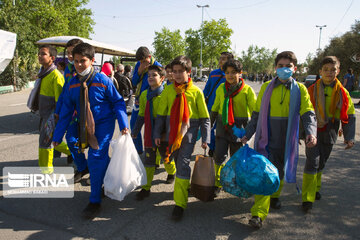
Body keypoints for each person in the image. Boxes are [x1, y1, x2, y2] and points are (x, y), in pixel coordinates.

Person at [241, 51, 317, 229]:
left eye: (288, 66)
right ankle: (258, 214)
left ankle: (274, 196)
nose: (284, 69)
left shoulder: (301, 90)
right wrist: (248, 133)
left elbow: (308, 113)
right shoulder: (267, 87)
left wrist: (311, 132)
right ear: (275, 68)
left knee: (280, 171)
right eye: (280, 66)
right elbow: (257, 115)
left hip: (287, 139)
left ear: (295, 69)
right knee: (264, 173)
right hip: (266, 138)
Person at [52, 43, 129, 219]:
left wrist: (124, 123)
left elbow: (118, 102)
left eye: (83, 61)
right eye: (76, 61)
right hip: (82, 123)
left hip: (103, 124)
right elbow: (65, 111)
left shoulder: (103, 81)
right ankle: (103, 174)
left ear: (92, 61)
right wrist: (57, 135)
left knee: (96, 157)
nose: (79, 65)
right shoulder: (71, 84)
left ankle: (94, 201)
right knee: (75, 144)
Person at [154, 55, 210, 221]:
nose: (177, 75)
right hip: (171, 134)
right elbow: (161, 114)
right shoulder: (169, 90)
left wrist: (206, 138)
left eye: (180, 71)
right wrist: (157, 134)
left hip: (189, 134)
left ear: (189, 72)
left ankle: (179, 204)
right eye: (174, 72)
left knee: (183, 162)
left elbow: (204, 118)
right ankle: (183, 186)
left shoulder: (196, 92)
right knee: (177, 161)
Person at [302, 56, 356, 212]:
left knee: (322, 162)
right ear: (320, 71)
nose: (329, 73)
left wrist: (349, 137)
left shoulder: (343, 93)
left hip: (331, 131)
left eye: (333, 70)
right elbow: (302, 112)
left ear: (338, 71)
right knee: (312, 162)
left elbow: (350, 116)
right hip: (312, 132)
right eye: (326, 69)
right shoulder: (311, 90)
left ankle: (316, 188)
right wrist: (300, 133)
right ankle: (307, 197)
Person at [210, 59, 256, 196]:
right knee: (219, 156)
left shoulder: (247, 90)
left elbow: (255, 112)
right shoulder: (221, 89)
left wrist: (250, 131)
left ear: (240, 73)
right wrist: (208, 125)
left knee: (237, 158)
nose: (230, 75)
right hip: (221, 126)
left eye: (234, 72)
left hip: (239, 130)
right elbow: (215, 107)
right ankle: (218, 183)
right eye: (227, 73)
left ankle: (236, 182)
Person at [131, 65, 176, 200]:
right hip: (150, 132)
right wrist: (135, 130)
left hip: (164, 132)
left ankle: (172, 172)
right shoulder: (144, 94)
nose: (150, 77)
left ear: (162, 78)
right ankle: (146, 188)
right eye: (149, 75)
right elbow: (141, 115)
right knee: (149, 160)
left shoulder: (167, 92)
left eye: (154, 75)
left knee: (166, 157)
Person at [54, 38, 88, 182]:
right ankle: (82, 167)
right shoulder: (68, 69)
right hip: (73, 113)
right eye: (68, 53)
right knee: (71, 140)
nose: (69, 56)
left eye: (72, 52)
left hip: (89, 114)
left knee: (95, 146)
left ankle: (100, 172)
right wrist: (58, 109)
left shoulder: (92, 71)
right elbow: (65, 91)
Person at [36, 45, 72, 174]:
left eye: (43, 54)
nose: (40, 56)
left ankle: (46, 171)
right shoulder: (42, 73)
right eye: (39, 53)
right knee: (50, 140)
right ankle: (71, 152)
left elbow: (60, 100)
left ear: (52, 58)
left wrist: (57, 116)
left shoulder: (56, 75)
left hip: (51, 115)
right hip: (43, 113)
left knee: (45, 142)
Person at [131, 46, 162, 154]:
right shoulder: (138, 66)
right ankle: (138, 150)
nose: (143, 63)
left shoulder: (157, 67)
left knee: (153, 128)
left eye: (144, 61)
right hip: (139, 100)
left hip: (152, 100)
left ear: (150, 57)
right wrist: (139, 71)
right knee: (134, 125)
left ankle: (155, 152)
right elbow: (134, 83)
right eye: (140, 61)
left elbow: (160, 86)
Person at [203, 52, 234, 156]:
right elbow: (206, 89)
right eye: (220, 58)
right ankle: (212, 148)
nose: (220, 61)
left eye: (224, 59)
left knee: (222, 131)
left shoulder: (232, 75)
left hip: (225, 109)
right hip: (211, 107)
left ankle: (220, 150)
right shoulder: (213, 73)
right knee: (209, 129)